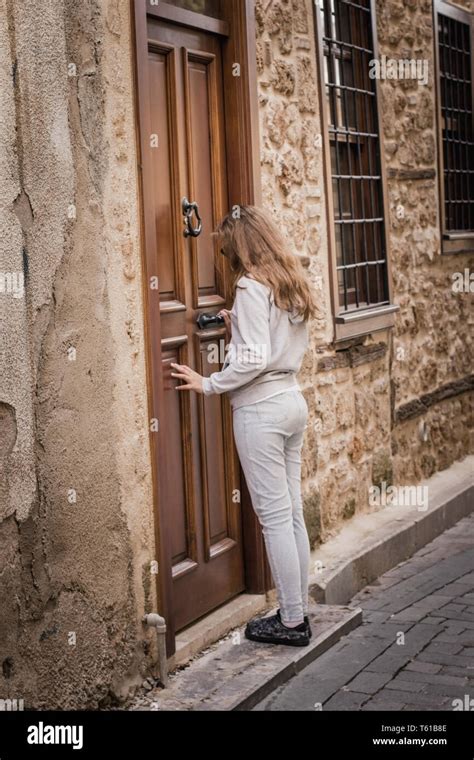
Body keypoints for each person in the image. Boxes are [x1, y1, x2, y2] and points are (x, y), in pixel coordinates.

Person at [171, 205, 317, 647]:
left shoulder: (252, 286)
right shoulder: (289, 284)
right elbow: (270, 345)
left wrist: (208, 383)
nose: (228, 259)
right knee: (292, 514)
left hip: (262, 411)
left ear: (242, 247)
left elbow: (253, 360)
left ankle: (292, 622)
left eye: (229, 250)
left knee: (274, 519)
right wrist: (239, 330)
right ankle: (298, 608)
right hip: (291, 400)